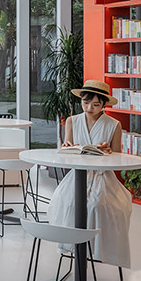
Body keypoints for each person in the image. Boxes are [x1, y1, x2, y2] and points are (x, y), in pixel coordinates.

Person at [45, 79, 132, 268]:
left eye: (95, 104)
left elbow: (116, 160)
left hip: (102, 177)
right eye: (85, 103)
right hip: (77, 176)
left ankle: (96, 248)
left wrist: (108, 151)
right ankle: (74, 245)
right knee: (66, 202)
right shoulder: (72, 121)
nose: (89, 108)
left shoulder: (113, 125)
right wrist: (67, 147)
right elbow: (68, 152)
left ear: (104, 105)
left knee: (97, 205)